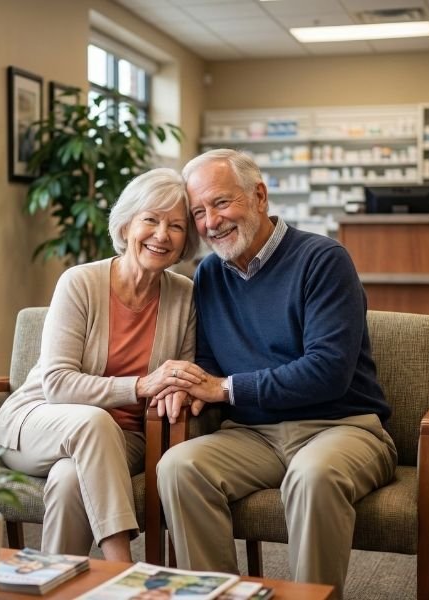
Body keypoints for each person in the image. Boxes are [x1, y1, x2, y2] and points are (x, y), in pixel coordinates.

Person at [154, 149, 398, 599]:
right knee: (179, 466)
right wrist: (188, 386)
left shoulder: (323, 259)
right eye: (199, 212)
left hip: (343, 427)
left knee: (313, 474)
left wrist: (225, 388)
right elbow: (210, 360)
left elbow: (327, 373)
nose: (211, 222)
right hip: (256, 434)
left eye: (222, 203)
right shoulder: (209, 274)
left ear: (259, 196)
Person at [0, 167, 203, 562]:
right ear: (126, 226)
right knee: (93, 420)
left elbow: (180, 373)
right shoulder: (80, 282)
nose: (162, 235)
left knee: (70, 479)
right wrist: (141, 386)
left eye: (176, 226)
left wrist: (178, 390)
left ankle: (52, 585)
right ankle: (121, 565)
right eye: (151, 220)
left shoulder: (185, 296)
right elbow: (57, 384)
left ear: (186, 240)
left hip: (128, 440)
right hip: (40, 422)